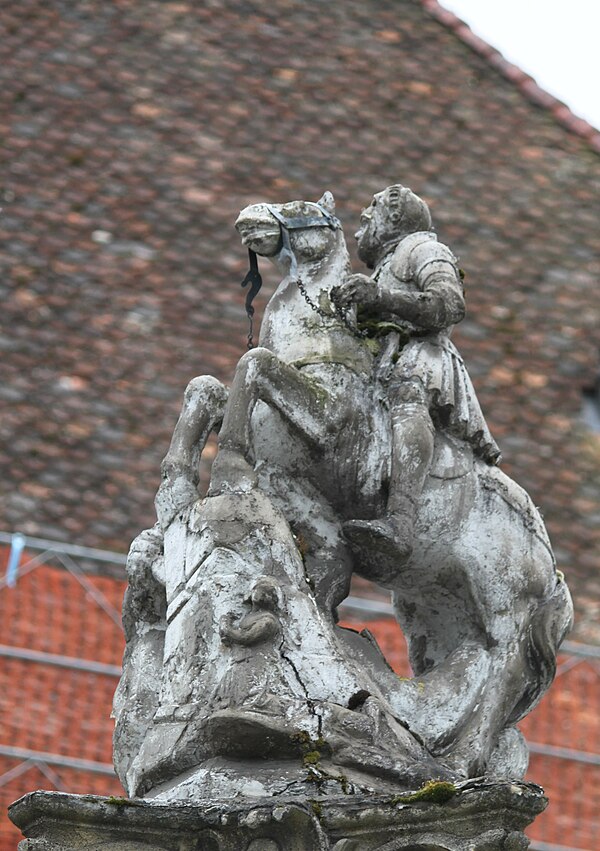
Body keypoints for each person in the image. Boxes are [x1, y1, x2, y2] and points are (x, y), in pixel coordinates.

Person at [332, 184, 500, 560]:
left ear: (393, 218)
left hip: (420, 356)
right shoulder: (382, 268)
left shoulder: (422, 249)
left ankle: (401, 520)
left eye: (370, 211)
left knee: (407, 397)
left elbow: (448, 304)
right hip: (381, 359)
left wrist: (381, 299)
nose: (360, 222)